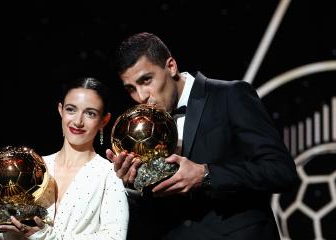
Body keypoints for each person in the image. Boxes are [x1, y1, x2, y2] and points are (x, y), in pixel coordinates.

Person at [105, 32, 300, 240]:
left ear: (171, 66)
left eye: (146, 80)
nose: (141, 96)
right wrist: (133, 184)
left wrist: (206, 175)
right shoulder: (140, 131)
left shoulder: (230, 95)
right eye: (131, 89)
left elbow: (281, 171)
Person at [0, 77, 129, 240]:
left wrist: (48, 236)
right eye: (71, 109)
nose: (78, 121)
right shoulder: (36, 167)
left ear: (104, 120)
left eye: (90, 113)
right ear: (60, 110)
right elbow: (10, 234)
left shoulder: (110, 175)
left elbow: (115, 237)